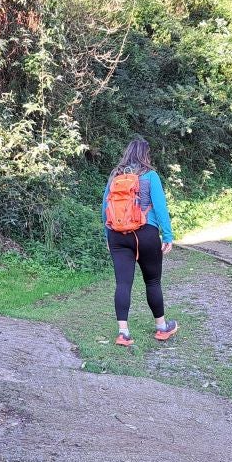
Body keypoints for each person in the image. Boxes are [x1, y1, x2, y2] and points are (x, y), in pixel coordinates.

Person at [101, 137, 178, 347]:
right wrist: (168, 236)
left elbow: (104, 208)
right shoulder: (150, 176)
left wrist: (107, 235)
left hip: (117, 234)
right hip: (146, 233)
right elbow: (160, 208)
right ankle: (162, 328)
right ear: (146, 154)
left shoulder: (115, 175)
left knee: (123, 283)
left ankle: (123, 333)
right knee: (152, 281)